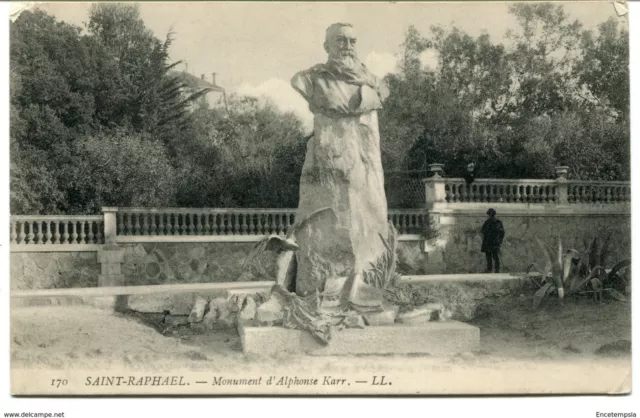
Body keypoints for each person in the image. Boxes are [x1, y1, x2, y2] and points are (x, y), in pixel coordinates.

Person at [481, 208, 505, 273]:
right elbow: (502, 233)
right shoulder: (498, 222)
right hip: (494, 242)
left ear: (489, 215)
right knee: (495, 256)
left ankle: (490, 269)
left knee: (490, 256)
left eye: (489, 214)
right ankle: (496, 270)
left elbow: (482, 231)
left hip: (489, 242)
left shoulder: (488, 222)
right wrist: (500, 241)